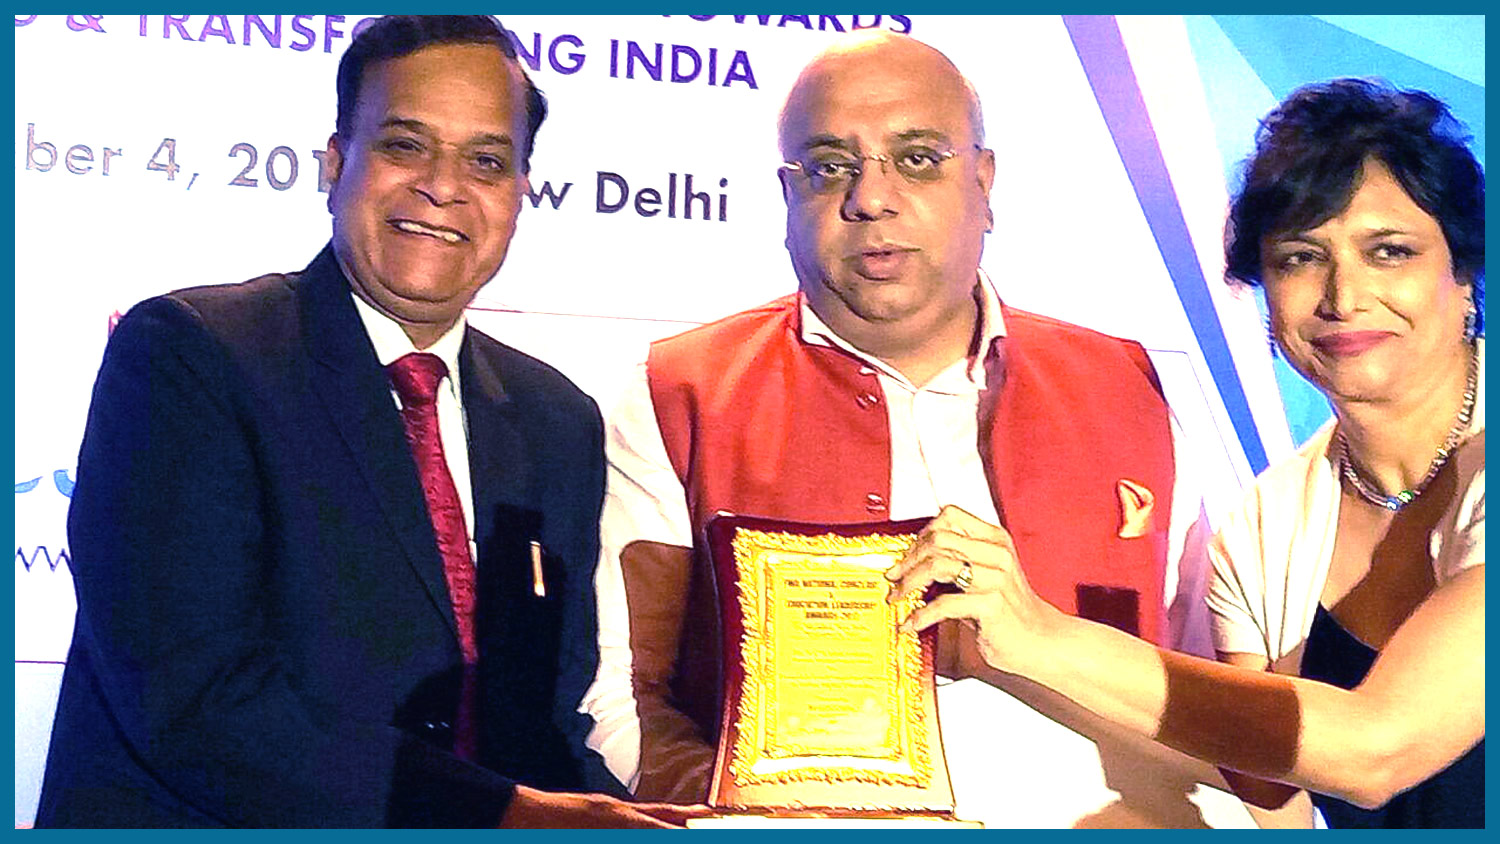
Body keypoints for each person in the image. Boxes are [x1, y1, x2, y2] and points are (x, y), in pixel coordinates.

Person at [35, 15, 703, 828]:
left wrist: (662, 821)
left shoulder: (554, 420)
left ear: (521, 193)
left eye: (487, 161)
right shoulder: (193, 356)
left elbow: (544, 720)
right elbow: (195, 700)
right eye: (405, 145)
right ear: (334, 163)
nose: (443, 186)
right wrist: (508, 815)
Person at [580, 31, 1227, 825]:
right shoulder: (682, 392)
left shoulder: (1128, 388)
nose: (872, 198)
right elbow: (624, 696)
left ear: (983, 184)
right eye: (830, 167)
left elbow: (1217, 698)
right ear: (787, 197)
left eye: (918, 159)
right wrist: (746, 822)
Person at [889, 78, 1484, 829]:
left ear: (1464, 275)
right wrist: (987, 656)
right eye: (1300, 258)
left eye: (1390, 252)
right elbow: (1266, 786)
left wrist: (1040, 634)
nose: (1344, 296)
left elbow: (1376, 751)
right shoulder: (1263, 527)